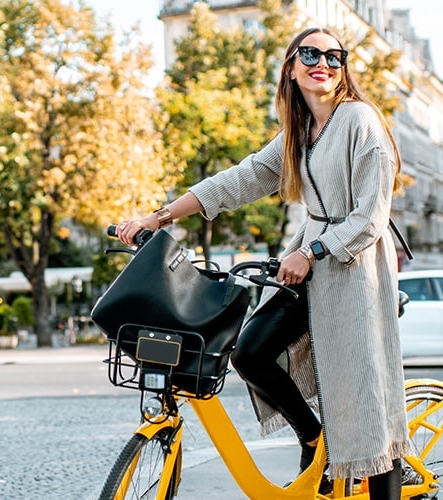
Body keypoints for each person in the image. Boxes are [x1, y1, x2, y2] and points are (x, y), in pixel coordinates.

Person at [115, 27, 409, 498]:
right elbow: (241, 179)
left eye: (335, 56)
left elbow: (372, 216)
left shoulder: (360, 121)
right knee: (249, 351)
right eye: (311, 53)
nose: (324, 62)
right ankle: (314, 438)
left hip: (354, 266)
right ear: (291, 67)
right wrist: (158, 215)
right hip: (309, 255)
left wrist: (312, 252)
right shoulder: (298, 133)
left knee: (364, 405)